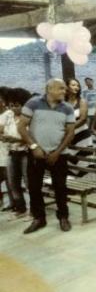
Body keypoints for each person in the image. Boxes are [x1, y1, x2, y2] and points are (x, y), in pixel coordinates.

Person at [18, 79, 75, 234]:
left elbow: (70, 132)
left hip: (59, 154)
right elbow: (21, 127)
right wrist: (34, 147)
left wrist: (57, 152)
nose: (65, 91)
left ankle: (63, 216)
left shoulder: (67, 108)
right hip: (37, 153)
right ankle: (39, 218)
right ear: (49, 89)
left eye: (65, 88)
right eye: (61, 88)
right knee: (34, 187)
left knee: (60, 187)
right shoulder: (33, 103)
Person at [1, 88, 32, 218]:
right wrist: (4, 136)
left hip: (25, 153)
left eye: (17, 106)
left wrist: (16, 139)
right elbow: (1, 130)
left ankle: (33, 210)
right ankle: (20, 208)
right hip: (11, 152)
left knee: (28, 182)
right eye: (11, 105)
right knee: (13, 182)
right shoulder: (8, 115)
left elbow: (31, 139)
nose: (14, 108)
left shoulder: (28, 118)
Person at [65, 78, 93, 152]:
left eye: (78, 85)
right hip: (67, 136)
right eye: (73, 85)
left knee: (83, 162)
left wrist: (68, 129)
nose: (76, 87)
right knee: (70, 159)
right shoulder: (63, 103)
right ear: (67, 87)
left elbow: (83, 119)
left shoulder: (82, 101)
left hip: (82, 134)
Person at [0, 87, 11, 211]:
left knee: (7, 176)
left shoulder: (8, 113)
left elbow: (4, 131)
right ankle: (5, 201)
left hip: (6, 148)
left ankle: (14, 202)